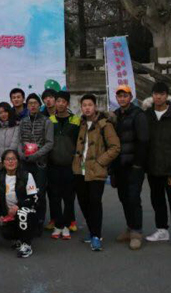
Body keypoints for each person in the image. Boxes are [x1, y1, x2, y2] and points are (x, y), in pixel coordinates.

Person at [142, 82, 171, 247]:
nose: (158, 97)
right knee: (157, 200)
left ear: (167, 96)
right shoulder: (146, 116)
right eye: (156, 94)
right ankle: (161, 229)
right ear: (152, 95)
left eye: (162, 94)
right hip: (153, 166)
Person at [74, 94, 121, 252]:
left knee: (94, 202)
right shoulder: (80, 123)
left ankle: (96, 235)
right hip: (79, 170)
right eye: (84, 105)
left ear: (95, 106)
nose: (87, 108)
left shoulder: (104, 124)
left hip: (96, 169)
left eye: (90, 105)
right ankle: (92, 230)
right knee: (83, 202)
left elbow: (115, 147)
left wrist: (100, 162)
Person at [112, 84, 149, 250]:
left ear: (130, 97)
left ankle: (136, 232)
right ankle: (129, 227)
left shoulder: (138, 115)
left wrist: (138, 164)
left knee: (134, 198)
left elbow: (143, 140)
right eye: (119, 96)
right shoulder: (115, 115)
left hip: (134, 164)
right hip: (119, 164)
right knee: (124, 198)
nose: (122, 99)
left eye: (125, 96)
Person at [0, 149, 38, 258]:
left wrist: (18, 206)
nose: (10, 162)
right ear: (3, 162)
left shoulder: (27, 175)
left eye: (13, 159)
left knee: (22, 213)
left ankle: (26, 245)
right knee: (6, 233)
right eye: (8, 159)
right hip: (8, 213)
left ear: (18, 161)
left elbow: (34, 198)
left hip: (27, 211)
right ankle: (19, 240)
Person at [18, 93, 53, 233]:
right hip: (25, 162)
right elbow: (19, 141)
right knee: (25, 192)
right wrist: (21, 154)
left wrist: (36, 155)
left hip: (40, 163)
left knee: (39, 193)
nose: (32, 106)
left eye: (35, 103)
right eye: (30, 103)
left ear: (39, 105)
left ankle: (39, 221)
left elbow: (49, 143)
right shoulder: (23, 121)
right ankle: (28, 220)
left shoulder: (46, 121)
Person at [47, 91, 80, 239]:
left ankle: (67, 225)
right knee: (54, 197)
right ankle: (58, 225)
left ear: (67, 103)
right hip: (53, 165)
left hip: (69, 165)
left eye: (63, 101)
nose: (60, 104)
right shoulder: (50, 120)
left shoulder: (76, 120)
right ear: (55, 103)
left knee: (68, 197)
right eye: (58, 101)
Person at [0, 102, 20, 171]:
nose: (3, 114)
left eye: (5, 112)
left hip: (12, 162)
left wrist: (7, 160)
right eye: (0, 113)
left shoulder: (16, 126)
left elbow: (14, 144)